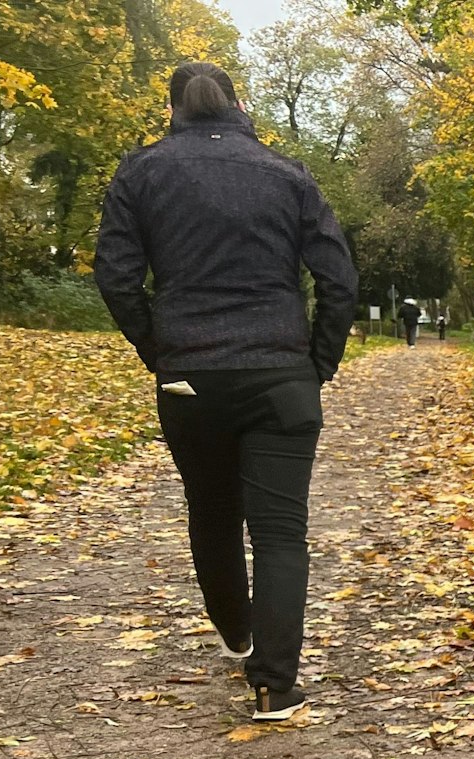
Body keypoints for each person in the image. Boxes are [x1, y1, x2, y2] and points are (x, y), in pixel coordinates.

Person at [94, 61, 357, 722]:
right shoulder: (288, 173)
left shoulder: (141, 172)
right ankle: (273, 684)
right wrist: (316, 363)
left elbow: (116, 276)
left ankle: (237, 634)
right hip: (280, 374)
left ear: (172, 109)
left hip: (190, 376)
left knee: (211, 511)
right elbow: (339, 278)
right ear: (239, 106)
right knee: (280, 532)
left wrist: (159, 350)